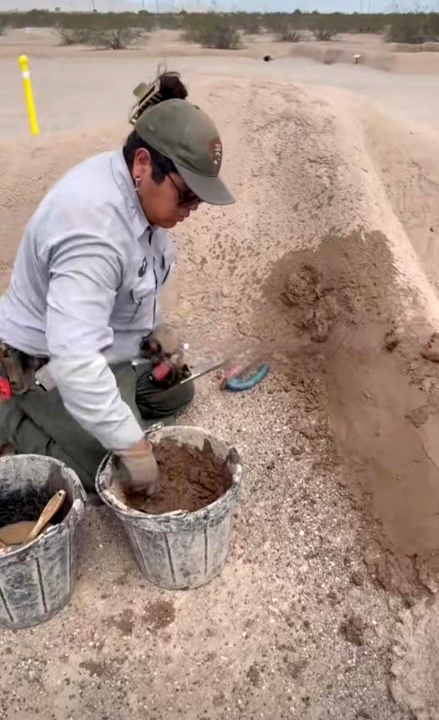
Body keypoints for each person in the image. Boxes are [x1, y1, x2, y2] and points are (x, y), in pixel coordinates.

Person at [0, 72, 234, 494]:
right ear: (144, 164)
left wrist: (160, 344)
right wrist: (133, 447)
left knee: (176, 393)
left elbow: (136, 292)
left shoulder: (137, 197)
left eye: (200, 198)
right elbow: (74, 360)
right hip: (39, 362)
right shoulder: (92, 230)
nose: (194, 208)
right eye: (187, 195)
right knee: (103, 475)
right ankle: (11, 413)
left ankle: (103, 417)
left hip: (103, 351)